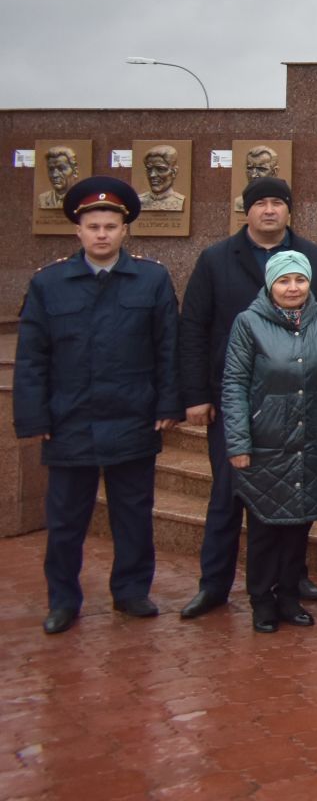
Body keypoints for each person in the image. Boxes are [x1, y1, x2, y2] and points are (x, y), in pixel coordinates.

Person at [14, 178, 179, 634]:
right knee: (66, 520)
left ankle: (130, 591)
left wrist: (168, 403)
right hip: (70, 420)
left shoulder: (151, 279)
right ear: (78, 232)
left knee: (133, 513)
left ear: (125, 230)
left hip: (132, 416)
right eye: (93, 226)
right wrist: (34, 416)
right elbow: (32, 356)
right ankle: (63, 599)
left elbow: (168, 347)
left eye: (110, 226)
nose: (102, 234)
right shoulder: (49, 284)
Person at [177, 176, 317, 620]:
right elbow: (193, 327)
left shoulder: (316, 261)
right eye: (261, 203)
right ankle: (214, 584)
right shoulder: (215, 260)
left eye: (278, 203)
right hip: (235, 407)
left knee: (297, 494)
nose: (269, 210)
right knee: (228, 498)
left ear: (290, 210)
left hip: (301, 407)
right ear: (245, 210)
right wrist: (194, 393)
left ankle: (293, 579)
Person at [221, 250, 317, 633]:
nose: (293, 288)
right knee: (265, 528)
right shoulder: (248, 323)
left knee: (298, 526)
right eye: (284, 281)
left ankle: (289, 596)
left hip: (310, 441)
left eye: (299, 280)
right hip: (266, 441)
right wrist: (238, 443)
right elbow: (235, 383)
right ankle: (261, 601)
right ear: (271, 285)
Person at [139, 144, 186, 211]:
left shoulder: (180, 201)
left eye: (160, 169)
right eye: (149, 169)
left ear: (174, 172)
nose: (152, 175)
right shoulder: (139, 201)